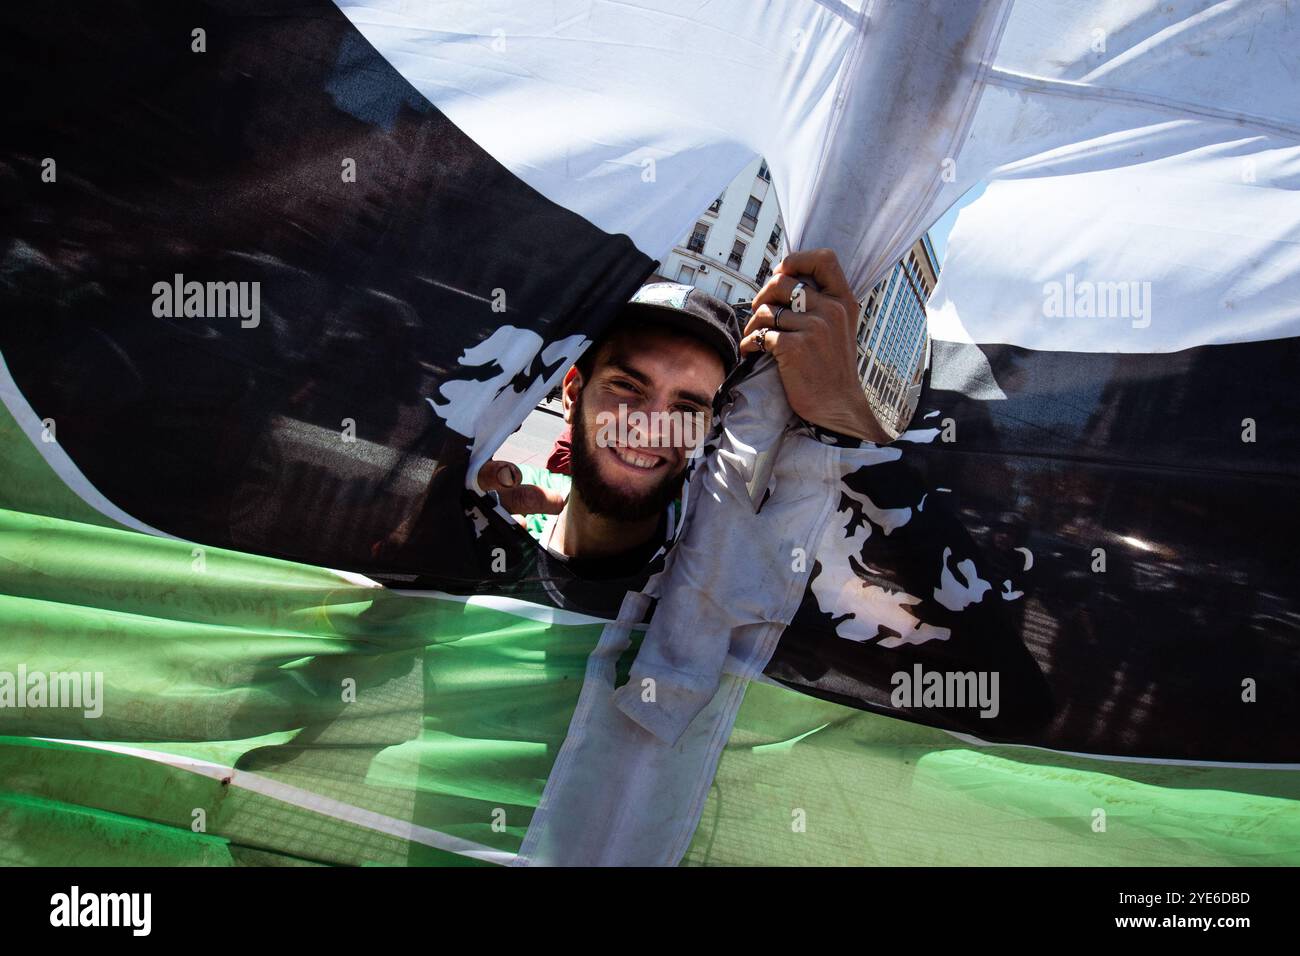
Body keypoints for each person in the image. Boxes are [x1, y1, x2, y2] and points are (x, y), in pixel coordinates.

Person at [477, 248, 889, 573]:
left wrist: (845, 414)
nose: (652, 429)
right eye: (627, 386)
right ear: (572, 393)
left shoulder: (719, 584)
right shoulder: (488, 514)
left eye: (687, 407)